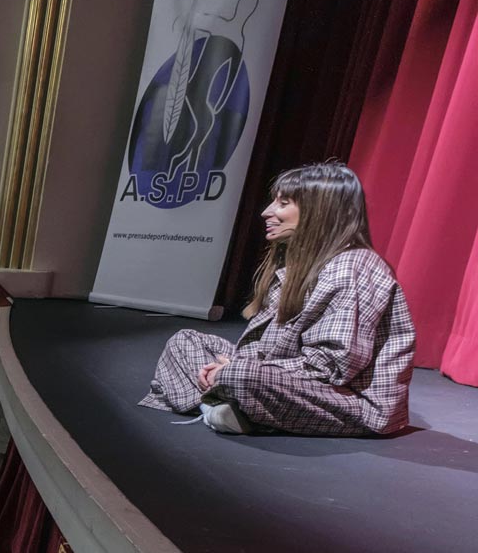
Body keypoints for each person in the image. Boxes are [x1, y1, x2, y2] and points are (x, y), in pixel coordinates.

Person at [139, 162, 416, 436]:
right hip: (279, 374)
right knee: (185, 341)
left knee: (241, 376)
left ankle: (225, 406)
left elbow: (331, 367)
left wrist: (234, 370)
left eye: (283, 204)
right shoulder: (298, 262)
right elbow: (263, 349)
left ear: (318, 212)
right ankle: (221, 409)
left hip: (348, 400)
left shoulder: (351, 268)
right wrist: (232, 366)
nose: (266, 213)